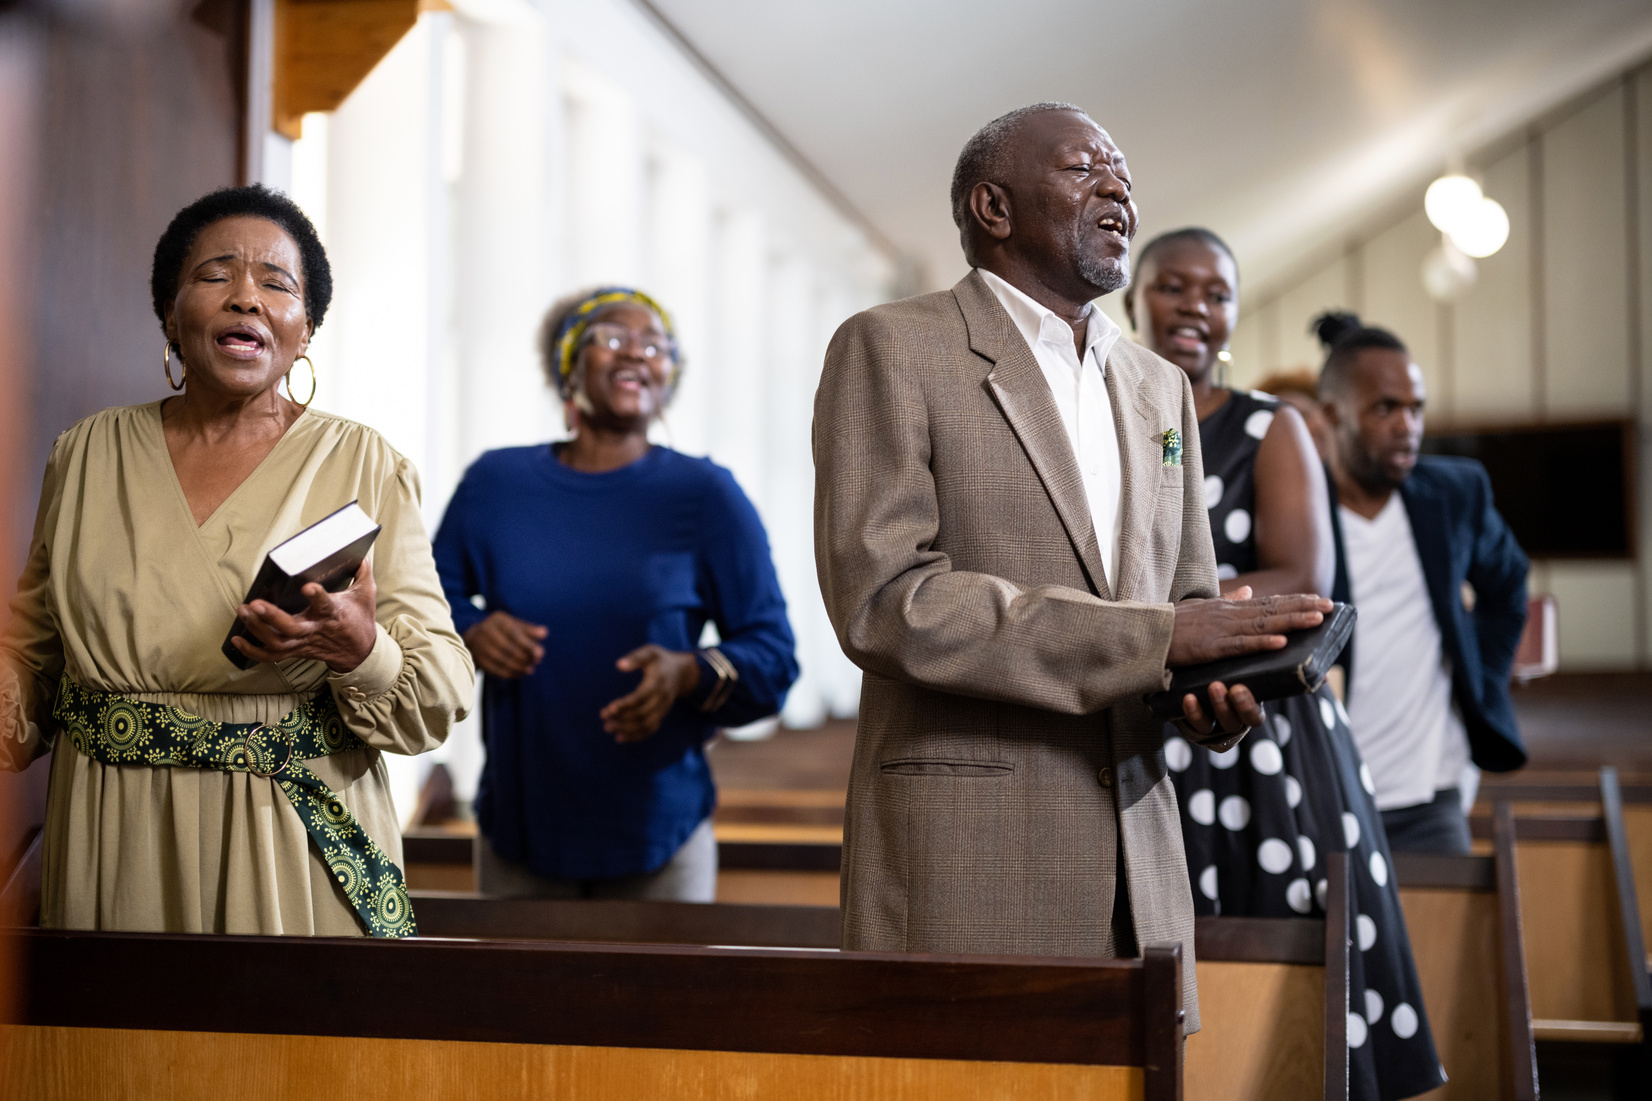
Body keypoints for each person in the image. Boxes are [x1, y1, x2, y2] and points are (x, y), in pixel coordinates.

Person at [813, 102, 1331, 1031]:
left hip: (1141, 859)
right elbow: (886, 601)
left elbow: (1184, 600)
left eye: (1124, 172)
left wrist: (1212, 691)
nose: (1118, 187)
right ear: (994, 206)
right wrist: (1159, 638)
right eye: (1085, 168)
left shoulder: (1157, 384)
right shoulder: (894, 345)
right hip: (966, 858)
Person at [0, 185, 474, 937]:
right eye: (216, 275)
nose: (246, 298)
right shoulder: (86, 454)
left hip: (287, 837)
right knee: (115, 1052)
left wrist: (359, 650)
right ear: (170, 312)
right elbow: (28, 656)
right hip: (115, 837)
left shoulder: (364, 462)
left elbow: (440, 686)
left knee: (286, 1050)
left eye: (277, 284)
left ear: (306, 329)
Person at [1126, 230, 1442, 1097]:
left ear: (1232, 313)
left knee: (1291, 996)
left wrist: (1153, 620)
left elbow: (1303, 583)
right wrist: (1186, 617)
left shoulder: (1270, 426)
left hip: (1271, 739)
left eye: (1217, 293)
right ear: (1132, 299)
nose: (1196, 306)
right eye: (1173, 286)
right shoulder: (1101, 426)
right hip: (1141, 740)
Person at [432, 287, 798, 902]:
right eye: (612, 338)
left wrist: (689, 673)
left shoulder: (706, 494)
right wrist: (470, 627)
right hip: (519, 829)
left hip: (660, 836)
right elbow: (419, 601)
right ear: (568, 364)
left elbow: (773, 657)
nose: (638, 352)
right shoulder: (496, 484)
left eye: (655, 345)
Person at [1315, 311, 1528, 852]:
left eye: (1416, 408)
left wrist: (1480, 675)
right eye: (1385, 408)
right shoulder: (1300, 509)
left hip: (1430, 790)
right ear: (1332, 415)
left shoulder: (1455, 493)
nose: (1407, 425)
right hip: (1324, 791)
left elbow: (1507, 589)